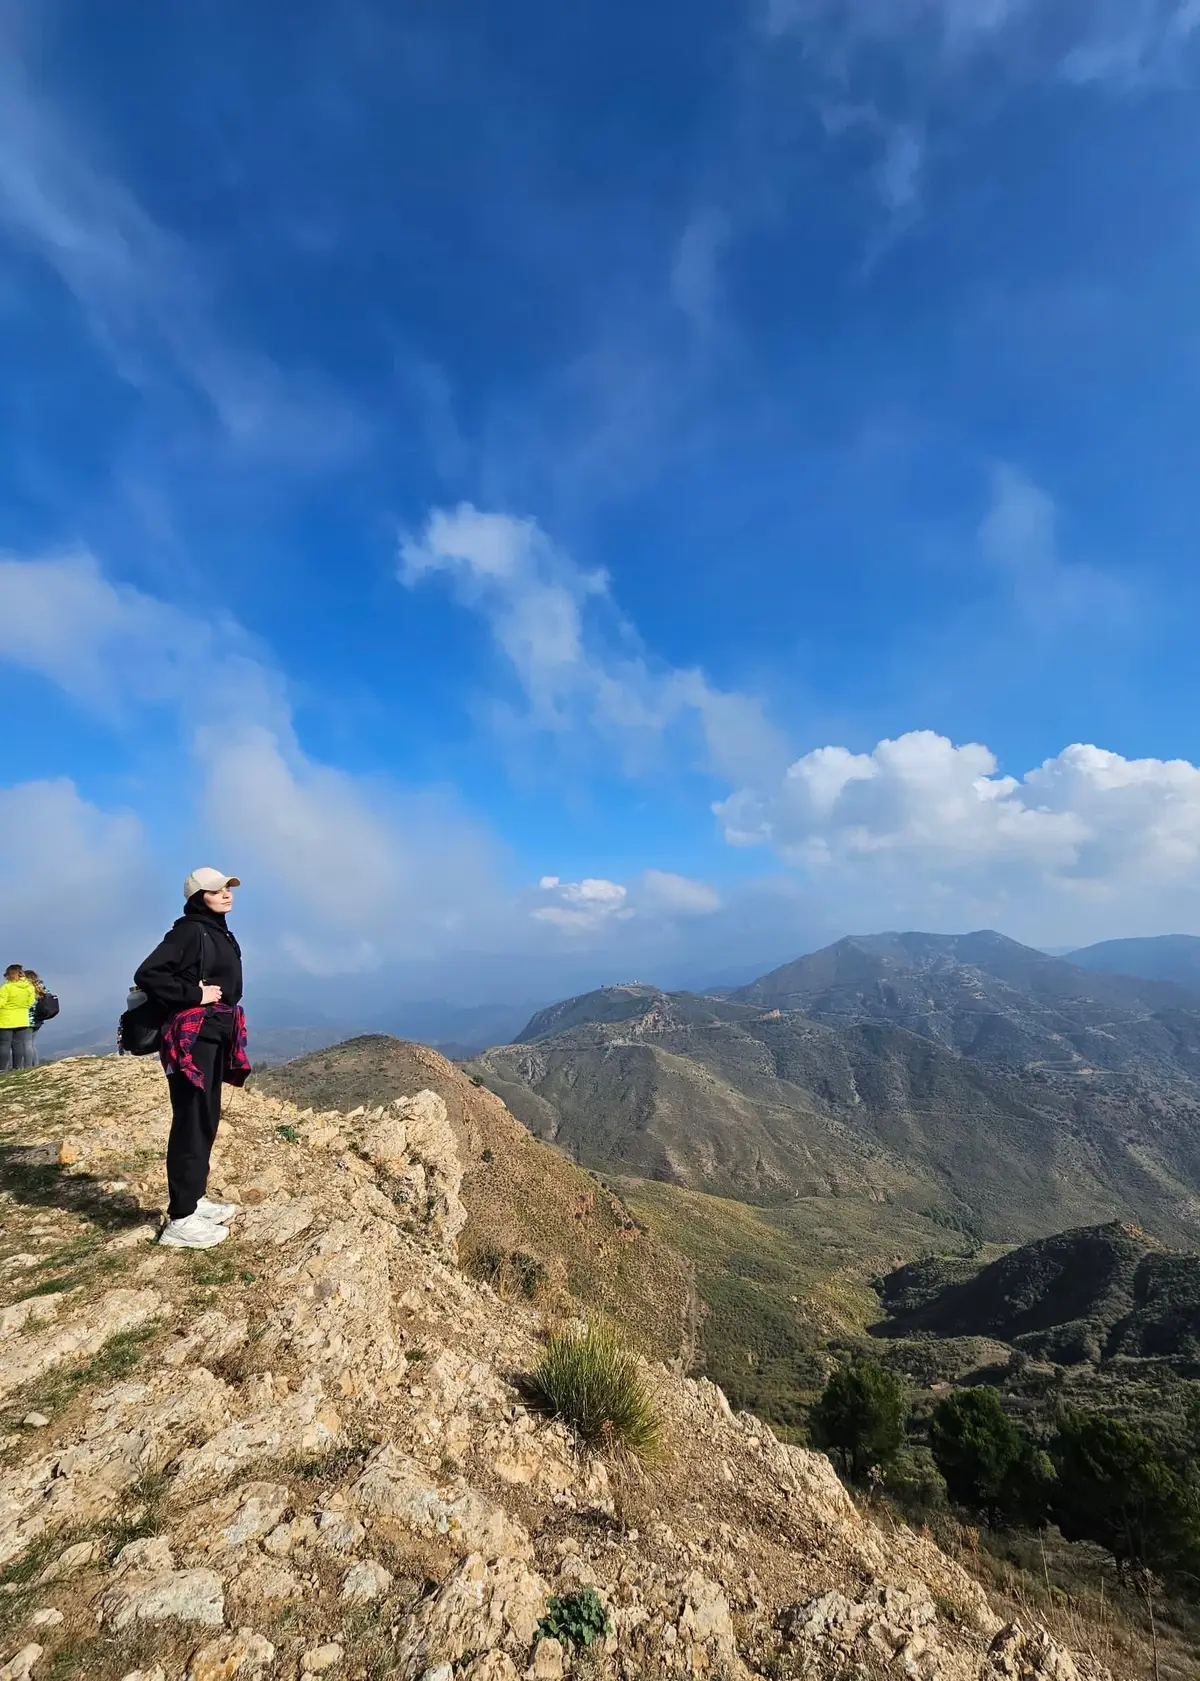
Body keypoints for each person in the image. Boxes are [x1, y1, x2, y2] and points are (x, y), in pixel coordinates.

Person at [134, 868, 250, 1249]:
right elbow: (148, 973)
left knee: (205, 1117)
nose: (226, 894)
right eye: (217, 890)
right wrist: (193, 994)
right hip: (192, 1039)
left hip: (213, 1034)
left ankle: (193, 1199)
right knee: (192, 1120)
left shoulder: (214, 929)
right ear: (200, 896)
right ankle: (181, 1220)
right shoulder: (188, 931)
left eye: (228, 888)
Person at [0, 965, 36, 1072]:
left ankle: (1, 1069)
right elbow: (30, 1003)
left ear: (9, 975)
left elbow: (1, 1003)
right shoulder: (29, 987)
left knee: (4, 1045)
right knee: (18, 1044)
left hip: (6, 1019)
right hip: (22, 1019)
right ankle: (16, 1068)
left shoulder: (6, 988)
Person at [22, 972, 56, 1067]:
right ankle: (35, 1065)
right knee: (31, 1044)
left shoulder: (28, 989)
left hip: (28, 1019)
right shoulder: (41, 988)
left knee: (26, 1044)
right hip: (39, 1019)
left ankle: (28, 1066)